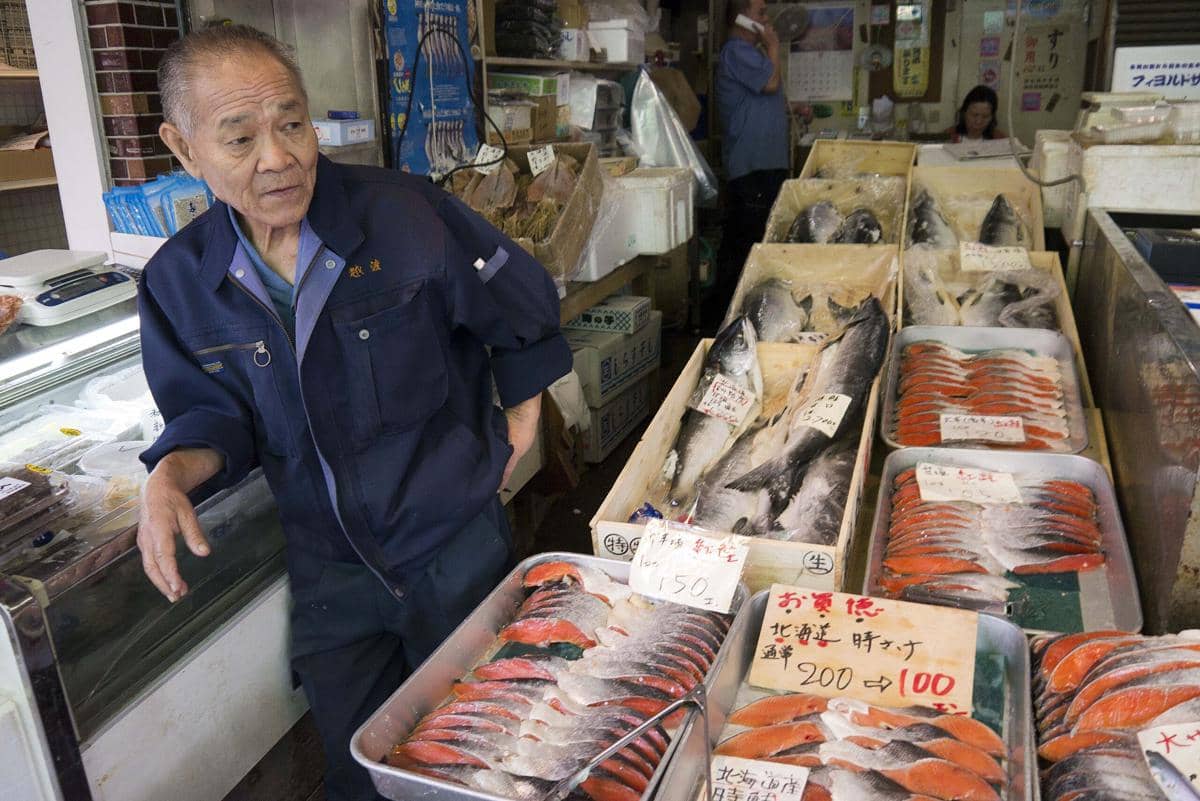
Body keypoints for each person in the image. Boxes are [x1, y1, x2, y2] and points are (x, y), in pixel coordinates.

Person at [136, 25, 571, 801]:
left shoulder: (404, 214)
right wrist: (170, 474)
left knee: (490, 750)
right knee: (360, 770)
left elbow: (522, 306)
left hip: (453, 546)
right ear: (182, 147)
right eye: (239, 137)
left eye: (291, 123)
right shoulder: (179, 280)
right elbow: (212, 415)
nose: (277, 157)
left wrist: (520, 426)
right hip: (332, 574)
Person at [705, 0, 788, 332]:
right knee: (745, 248)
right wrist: (774, 46)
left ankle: (746, 320)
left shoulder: (753, 55)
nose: (767, 20)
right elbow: (770, 83)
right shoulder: (736, 51)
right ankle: (725, 325)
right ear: (740, 19)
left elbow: (769, 92)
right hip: (752, 168)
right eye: (760, 13)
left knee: (756, 245)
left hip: (766, 166)